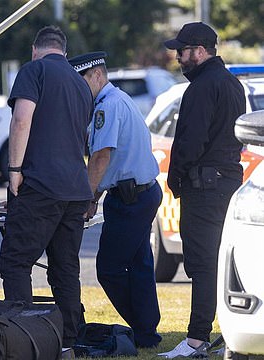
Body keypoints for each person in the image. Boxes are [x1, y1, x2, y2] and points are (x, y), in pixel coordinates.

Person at [0, 25, 93, 348]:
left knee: (15, 261)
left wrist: (13, 171)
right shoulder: (82, 84)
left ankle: (23, 341)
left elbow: (21, 119)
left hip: (41, 184)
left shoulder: (33, 70)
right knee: (65, 269)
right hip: (76, 189)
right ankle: (68, 342)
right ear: (63, 52)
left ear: (35, 49)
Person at [158, 22, 245, 358]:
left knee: (203, 263)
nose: (178, 57)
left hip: (203, 187)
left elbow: (190, 143)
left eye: (182, 50)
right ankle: (225, 330)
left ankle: (195, 340)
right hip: (226, 182)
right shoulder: (231, 84)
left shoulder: (202, 87)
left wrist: (175, 179)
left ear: (199, 50)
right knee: (221, 263)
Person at [68, 52, 163, 348]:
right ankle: (146, 332)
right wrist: (96, 196)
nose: (79, 89)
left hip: (131, 198)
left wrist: (86, 199)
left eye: (81, 81)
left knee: (109, 268)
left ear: (97, 75)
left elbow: (100, 157)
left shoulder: (106, 107)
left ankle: (142, 328)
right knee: (139, 266)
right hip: (138, 193)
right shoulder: (119, 99)